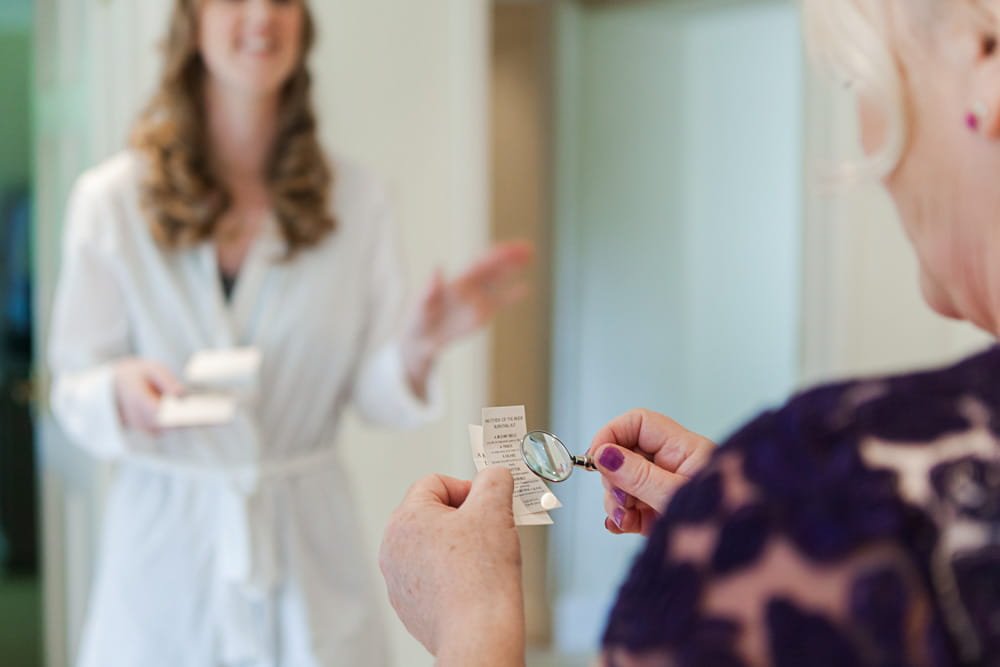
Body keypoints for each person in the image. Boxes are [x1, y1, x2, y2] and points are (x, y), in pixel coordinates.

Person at [378, 0, 1000, 664]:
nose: (866, 137)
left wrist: (472, 625)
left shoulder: (825, 483)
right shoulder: (812, 495)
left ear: (984, 71)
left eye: (860, 79)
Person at [47, 1, 532, 666]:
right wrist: (116, 390)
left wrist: (418, 346)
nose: (261, 17)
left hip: (309, 557)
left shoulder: (357, 201)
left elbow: (374, 393)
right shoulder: (110, 203)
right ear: (191, 18)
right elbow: (71, 386)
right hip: (165, 566)